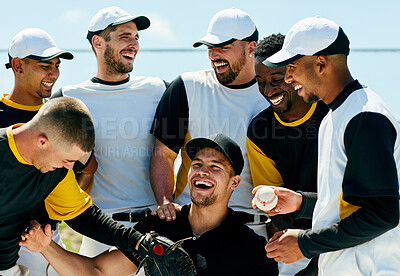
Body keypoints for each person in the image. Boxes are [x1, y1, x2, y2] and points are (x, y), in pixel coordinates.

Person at [21, 133, 279, 276]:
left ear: (234, 183)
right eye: (197, 164)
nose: (202, 172)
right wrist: (47, 247)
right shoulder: (160, 227)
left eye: (215, 167)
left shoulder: (253, 247)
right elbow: (97, 272)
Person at [262, 16, 400, 275]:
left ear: (321, 63)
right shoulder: (335, 117)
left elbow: (382, 214)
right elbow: (349, 204)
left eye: (292, 67)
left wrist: (305, 243)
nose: (288, 78)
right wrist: (301, 202)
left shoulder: (365, 117)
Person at [52, 6, 168, 257]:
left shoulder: (159, 89)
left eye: (136, 37)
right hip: (100, 231)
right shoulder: (68, 99)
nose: (133, 44)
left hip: (154, 230)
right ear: (98, 42)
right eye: (124, 36)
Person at [150, 7, 269, 237]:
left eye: (223, 47)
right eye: (210, 48)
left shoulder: (272, 94)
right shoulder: (187, 86)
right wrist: (165, 202)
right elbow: (163, 153)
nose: (214, 55)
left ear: (251, 48)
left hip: (255, 229)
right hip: (193, 227)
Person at [0, 97, 151, 276]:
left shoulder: (57, 171)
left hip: (8, 268)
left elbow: (84, 216)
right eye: (67, 160)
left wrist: (140, 242)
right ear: (42, 142)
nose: (71, 167)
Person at [1, 28, 97, 276]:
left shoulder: (65, 119)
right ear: (18, 65)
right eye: (45, 65)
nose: (54, 73)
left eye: (57, 65)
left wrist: (57, 214)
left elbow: (88, 168)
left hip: (43, 241)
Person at [247, 34, 328, 275]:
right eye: (260, 82)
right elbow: (274, 207)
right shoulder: (260, 131)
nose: (268, 90)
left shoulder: (330, 112)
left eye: (276, 79)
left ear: (293, 73)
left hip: (343, 234)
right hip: (295, 245)